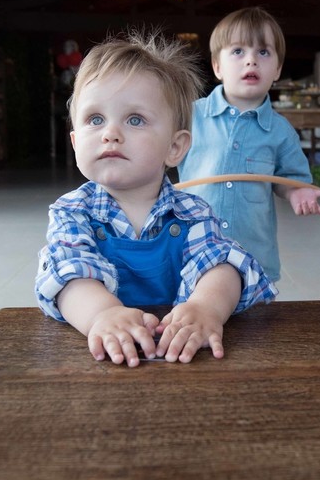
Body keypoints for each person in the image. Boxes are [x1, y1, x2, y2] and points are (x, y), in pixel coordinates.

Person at [34, 31, 276, 367]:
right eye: (95, 119)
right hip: (101, 361)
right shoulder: (72, 212)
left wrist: (206, 307)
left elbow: (222, 265)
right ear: (75, 142)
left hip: (179, 358)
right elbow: (69, 274)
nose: (110, 133)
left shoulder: (192, 213)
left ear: (174, 147)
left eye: (135, 120)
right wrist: (102, 314)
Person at [178, 7, 320, 283]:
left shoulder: (281, 131)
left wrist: (296, 192)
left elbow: (290, 179)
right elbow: (157, 156)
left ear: (277, 69)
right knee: (195, 308)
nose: (251, 60)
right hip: (193, 249)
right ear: (217, 66)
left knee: (253, 312)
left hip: (252, 256)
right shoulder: (190, 116)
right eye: (238, 51)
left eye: (263, 52)